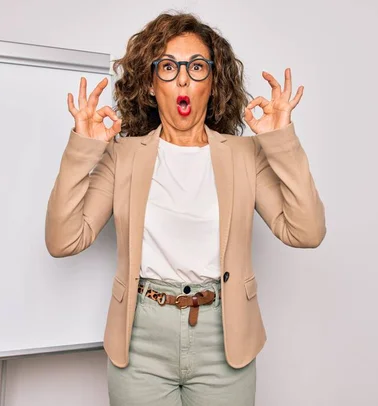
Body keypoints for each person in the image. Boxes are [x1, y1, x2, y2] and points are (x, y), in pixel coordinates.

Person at [45, 11, 326, 406]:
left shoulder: (244, 155)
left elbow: (307, 231)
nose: (182, 79)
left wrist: (280, 140)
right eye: (168, 67)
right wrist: (83, 149)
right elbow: (63, 240)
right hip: (140, 340)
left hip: (225, 339)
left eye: (196, 67)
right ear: (149, 83)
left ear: (212, 83)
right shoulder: (122, 156)